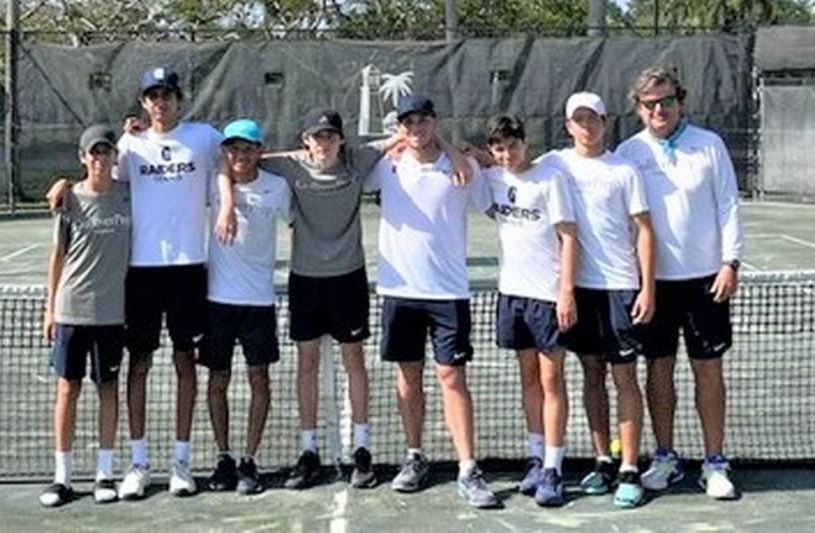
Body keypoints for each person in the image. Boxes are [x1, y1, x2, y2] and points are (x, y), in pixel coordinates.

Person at [247, 109, 469, 490]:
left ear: (342, 140)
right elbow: (245, 159)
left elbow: (413, 138)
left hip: (348, 279)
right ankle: (309, 451)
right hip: (304, 280)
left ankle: (361, 450)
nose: (323, 144)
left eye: (330, 136)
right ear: (306, 140)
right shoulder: (291, 167)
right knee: (307, 362)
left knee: (354, 362)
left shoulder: (361, 159)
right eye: (316, 137)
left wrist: (456, 151)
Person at [47, 67, 224, 498]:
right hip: (139, 275)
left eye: (166, 95)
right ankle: (138, 461)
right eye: (152, 96)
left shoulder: (204, 138)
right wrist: (64, 183)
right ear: (144, 103)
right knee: (138, 366)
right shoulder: (128, 145)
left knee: (186, 363)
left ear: (179, 99)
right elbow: (97, 174)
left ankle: (181, 461)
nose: (160, 103)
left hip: (188, 269)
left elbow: (247, 158)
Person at [615, 67, 744, 500]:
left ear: (679, 101)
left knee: (708, 371)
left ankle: (714, 462)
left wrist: (730, 262)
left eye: (666, 101)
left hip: (707, 282)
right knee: (659, 370)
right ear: (638, 109)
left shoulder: (709, 145)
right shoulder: (628, 152)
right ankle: (665, 457)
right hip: (651, 286)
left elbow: (728, 204)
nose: (659, 110)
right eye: (650, 103)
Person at [366, 95, 498, 509]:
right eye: (409, 121)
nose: (416, 127)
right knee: (408, 378)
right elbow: (325, 158)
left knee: (451, 378)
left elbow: (500, 201)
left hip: (448, 293)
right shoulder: (384, 165)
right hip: (399, 291)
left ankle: (467, 467)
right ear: (400, 126)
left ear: (434, 122)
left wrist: (465, 154)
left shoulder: (463, 168)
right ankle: (414, 456)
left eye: (424, 120)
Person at [544, 92, 656, 509]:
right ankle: (603, 459)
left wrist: (647, 287)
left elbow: (644, 230)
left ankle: (630, 467)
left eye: (593, 119)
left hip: (620, 287)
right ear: (568, 125)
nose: (586, 126)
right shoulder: (554, 164)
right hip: (578, 290)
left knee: (624, 377)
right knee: (591, 373)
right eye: (579, 119)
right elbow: (506, 162)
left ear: (606, 123)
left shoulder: (625, 170)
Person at [480, 114, 578, 507]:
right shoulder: (493, 178)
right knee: (528, 380)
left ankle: (554, 466)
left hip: (548, 297)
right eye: (499, 148)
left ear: (526, 143)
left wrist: (566, 293)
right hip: (512, 295)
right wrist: (469, 153)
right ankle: (535, 458)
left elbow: (569, 238)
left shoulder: (550, 179)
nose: (507, 154)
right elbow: (462, 158)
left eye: (513, 146)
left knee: (552, 381)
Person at [39, 125, 130, 507]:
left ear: (115, 156)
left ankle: (105, 474)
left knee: (107, 389)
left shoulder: (130, 196)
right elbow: (57, 256)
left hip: (112, 314)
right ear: (83, 158)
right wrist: (50, 308)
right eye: (93, 153)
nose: (99, 159)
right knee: (67, 389)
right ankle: (62, 477)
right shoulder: (68, 201)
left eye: (105, 151)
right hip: (70, 309)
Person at [202, 119, 291, 495]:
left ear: (260, 150)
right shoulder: (214, 182)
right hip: (217, 302)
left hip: (259, 302)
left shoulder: (278, 187)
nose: (240, 154)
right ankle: (223, 456)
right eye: (233, 148)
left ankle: (249, 460)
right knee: (217, 381)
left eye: (247, 148)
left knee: (259, 381)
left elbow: (296, 222)